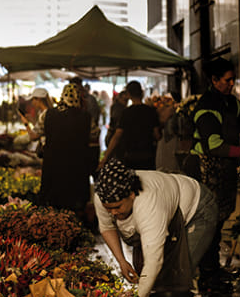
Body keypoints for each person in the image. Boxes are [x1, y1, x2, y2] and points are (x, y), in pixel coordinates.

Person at [93, 158, 220, 297]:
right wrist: (122, 261)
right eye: (108, 208)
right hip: (168, 204)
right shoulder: (103, 195)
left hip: (197, 210)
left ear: (132, 195)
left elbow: (154, 260)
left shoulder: (149, 205)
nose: (113, 212)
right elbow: (107, 227)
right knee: (146, 273)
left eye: (118, 207)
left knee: (175, 277)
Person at [190, 57, 240, 291]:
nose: (231, 84)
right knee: (210, 220)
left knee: (221, 217)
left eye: (233, 79)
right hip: (207, 168)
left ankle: (213, 270)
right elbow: (214, 146)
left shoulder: (231, 104)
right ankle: (207, 273)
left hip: (226, 168)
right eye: (227, 80)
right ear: (214, 80)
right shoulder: (206, 108)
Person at [38, 81, 92, 217]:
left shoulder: (48, 114)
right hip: (76, 167)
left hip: (53, 165)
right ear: (78, 97)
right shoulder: (86, 117)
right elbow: (93, 138)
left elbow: (40, 134)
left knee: (54, 205)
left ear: (62, 96)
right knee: (73, 205)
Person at [100, 80, 160, 169]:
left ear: (129, 95)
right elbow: (157, 135)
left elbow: (117, 136)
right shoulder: (151, 111)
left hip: (131, 157)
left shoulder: (126, 113)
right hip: (148, 156)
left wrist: (105, 158)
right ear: (142, 93)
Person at [19, 87, 52, 153]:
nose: (32, 102)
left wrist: (26, 123)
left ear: (38, 99)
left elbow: (33, 137)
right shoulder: (45, 112)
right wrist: (32, 121)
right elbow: (41, 129)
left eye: (33, 99)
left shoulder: (44, 115)